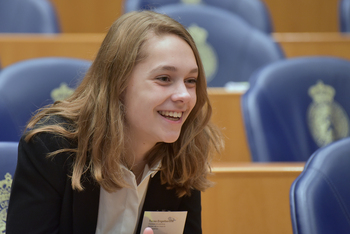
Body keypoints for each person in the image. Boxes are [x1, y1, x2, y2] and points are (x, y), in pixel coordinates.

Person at [6, 10, 223, 234]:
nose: (184, 95)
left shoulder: (185, 152)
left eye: (191, 81)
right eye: (164, 79)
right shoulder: (51, 148)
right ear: (119, 83)